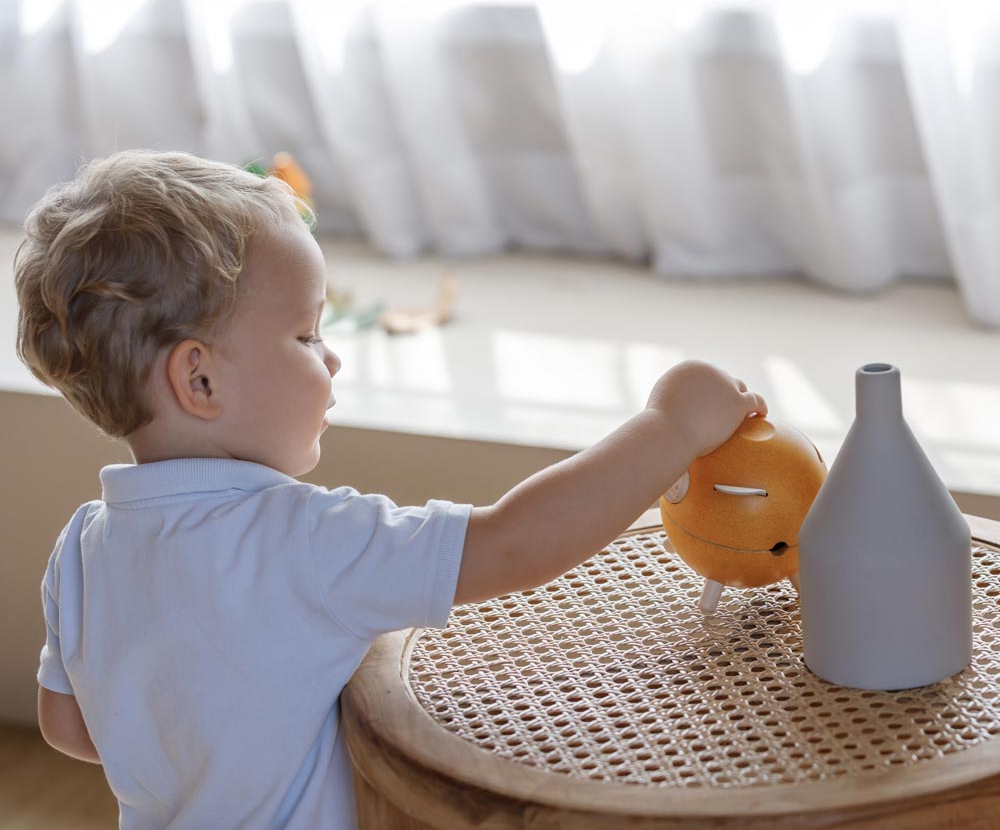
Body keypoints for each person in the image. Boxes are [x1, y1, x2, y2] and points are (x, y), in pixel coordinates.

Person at [14, 150, 767, 829]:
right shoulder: (305, 539)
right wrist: (670, 427)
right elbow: (514, 541)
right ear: (200, 378)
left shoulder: (80, 549)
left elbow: (70, 727)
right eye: (308, 335)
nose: (332, 359)